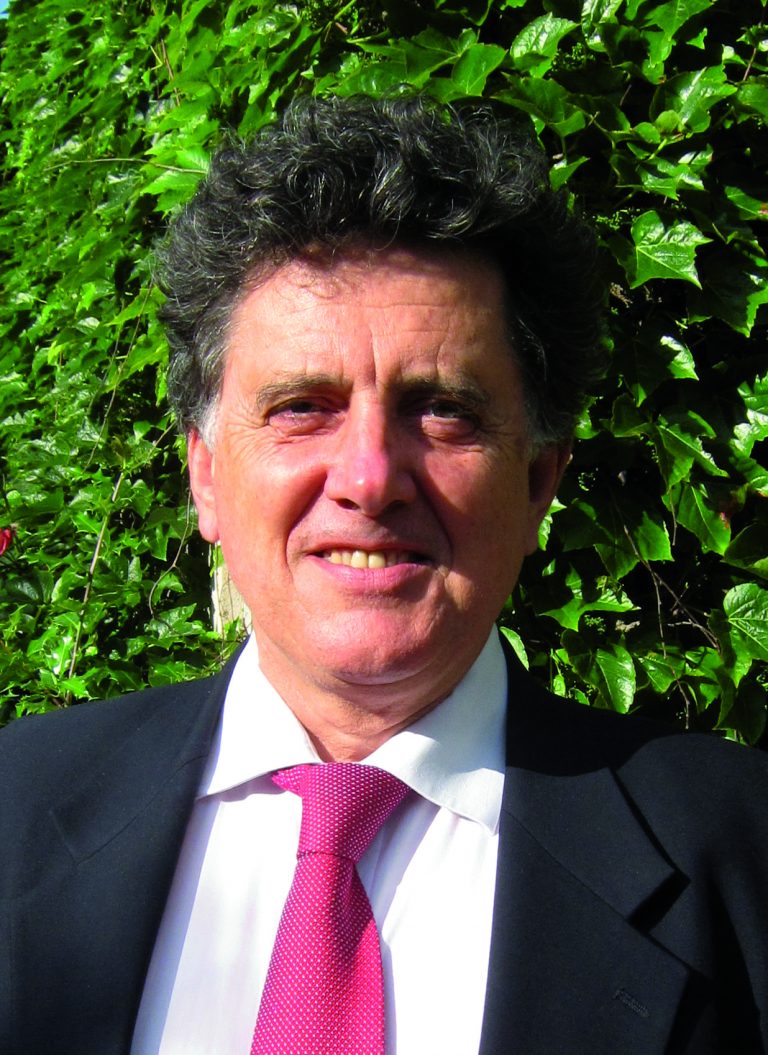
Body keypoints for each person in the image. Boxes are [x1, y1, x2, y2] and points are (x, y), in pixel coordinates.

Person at [1, 95, 767, 1055]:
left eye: (442, 410)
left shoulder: (742, 850)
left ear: (537, 479)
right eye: (301, 406)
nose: (368, 477)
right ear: (205, 475)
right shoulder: (15, 809)